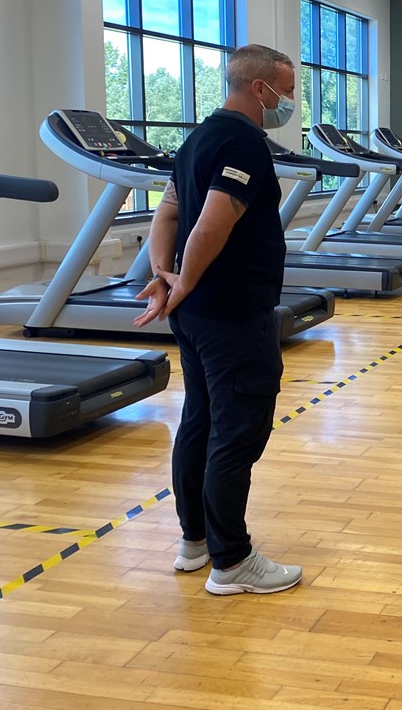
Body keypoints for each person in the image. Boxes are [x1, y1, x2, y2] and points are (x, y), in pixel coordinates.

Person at [134, 44, 302, 596]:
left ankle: (196, 541)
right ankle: (232, 561)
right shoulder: (243, 142)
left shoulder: (198, 138)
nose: (289, 102)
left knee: (200, 421)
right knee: (237, 429)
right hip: (232, 312)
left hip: (198, 311)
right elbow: (209, 225)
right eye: (287, 91)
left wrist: (164, 273)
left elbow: (169, 210)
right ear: (261, 89)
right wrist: (181, 279)